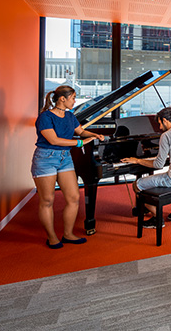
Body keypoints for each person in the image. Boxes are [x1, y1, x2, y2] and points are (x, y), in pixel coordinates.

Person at [31, 85, 104, 249]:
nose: (75, 101)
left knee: (74, 198)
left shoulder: (70, 116)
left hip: (65, 158)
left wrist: (94, 135)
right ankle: (52, 238)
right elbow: (53, 140)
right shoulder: (45, 117)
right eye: (73, 98)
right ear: (62, 99)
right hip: (45, 158)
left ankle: (68, 234)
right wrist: (80, 143)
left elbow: (81, 131)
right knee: (47, 200)